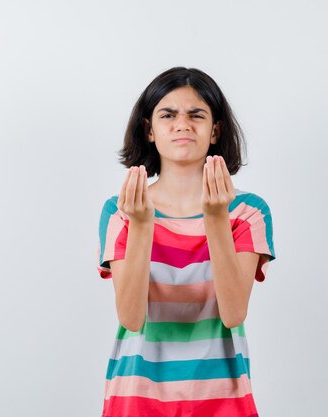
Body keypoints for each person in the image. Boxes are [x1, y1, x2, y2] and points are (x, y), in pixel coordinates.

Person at [96, 67, 276, 417]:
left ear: (215, 130)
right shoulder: (120, 211)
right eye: (168, 115)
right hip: (137, 398)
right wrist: (143, 225)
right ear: (149, 129)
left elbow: (234, 312)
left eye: (196, 115)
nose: (182, 124)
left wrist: (215, 218)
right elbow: (131, 317)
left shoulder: (249, 211)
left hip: (223, 398)